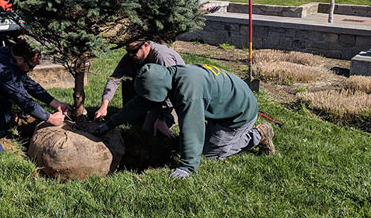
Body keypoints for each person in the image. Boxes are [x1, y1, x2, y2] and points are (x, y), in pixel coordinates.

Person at [96, 63, 275, 179]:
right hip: (221, 107)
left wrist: (187, 166)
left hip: (239, 113)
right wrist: (110, 123)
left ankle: (257, 135)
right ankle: (217, 132)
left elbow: (192, 128)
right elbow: (138, 104)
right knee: (192, 144)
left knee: (210, 154)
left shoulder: (188, 92)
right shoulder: (167, 77)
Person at [93, 40, 184, 137]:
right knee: (128, 80)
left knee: (149, 131)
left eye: (133, 51)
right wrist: (104, 106)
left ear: (145, 45)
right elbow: (114, 79)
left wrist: (161, 118)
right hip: (152, 93)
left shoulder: (162, 57)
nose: (130, 55)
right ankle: (137, 116)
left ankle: (172, 117)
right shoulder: (132, 56)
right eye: (127, 51)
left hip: (171, 99)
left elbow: (172, 88)